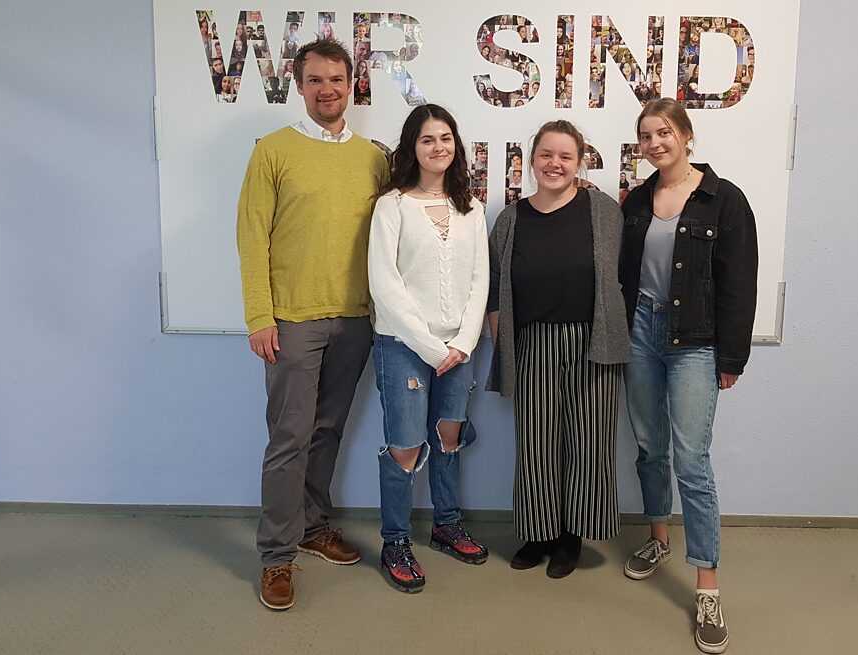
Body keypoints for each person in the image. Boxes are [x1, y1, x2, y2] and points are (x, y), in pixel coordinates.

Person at [236, 38, 389, 612]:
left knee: (327, 431)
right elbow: (252, 236)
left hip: (355, 319)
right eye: (316, 80)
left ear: (352, 86)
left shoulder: (373, 158)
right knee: (289, 439)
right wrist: (259, 316)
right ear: (299, 87)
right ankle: (276, 556)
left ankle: (313, 527)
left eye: (337, 79)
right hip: (291, 321)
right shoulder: (273, 151)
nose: (328, 89)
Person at [619, 98, 758, 654]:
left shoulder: (724, 199)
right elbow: (623, 273)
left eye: (664, 133)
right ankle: (658, 538)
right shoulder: (636, 200)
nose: (655, 143)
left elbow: (739, 283)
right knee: (650, 447)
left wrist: (732, 358)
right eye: (646, 136)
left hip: (695, 342)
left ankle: (707, 587)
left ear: (685, 134)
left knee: (692, 461)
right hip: (640, 333)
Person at [486, 120, 629, 579]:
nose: (555, 164)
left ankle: (572, 536)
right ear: (531, 160)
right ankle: (539, 532)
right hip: (534, 342)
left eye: (566, 156)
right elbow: (494, 285)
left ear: (580, 162)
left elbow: (623, 273)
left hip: (593, 341)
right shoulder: (511, 218)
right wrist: (501, 337)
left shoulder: (603, 211)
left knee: (589, 443)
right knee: (536, 442)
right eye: (546, 154)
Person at [367, 104, 490, 593]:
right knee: (405, 445)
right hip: (403, 345)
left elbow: (480, 280)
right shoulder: (392, 206)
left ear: (455, 145)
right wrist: (432, 347)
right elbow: (384, 284)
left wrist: (462, 342)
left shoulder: (471, 208)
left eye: (445, 138)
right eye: (427, 139)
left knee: (448, 435)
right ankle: (395, 541)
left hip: (459, 348)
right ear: (411, 148)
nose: (438, 147)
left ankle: (447, 524)